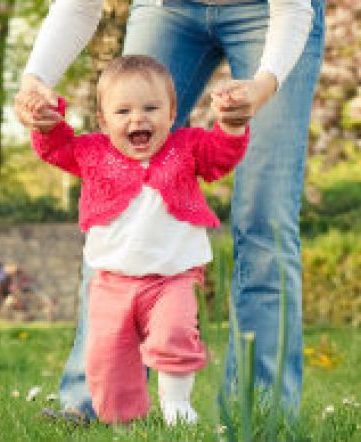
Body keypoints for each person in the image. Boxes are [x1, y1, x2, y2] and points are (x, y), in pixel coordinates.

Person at [15, 0, 325, 423]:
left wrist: (262, 88)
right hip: (167, 9)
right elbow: (78, 5)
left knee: (265, 218)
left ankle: (258, 409)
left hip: (271, 15)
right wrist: (35, 82)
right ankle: (91, 404)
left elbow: (292, 11)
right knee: (115, 194)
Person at [28, 55, 250, 424]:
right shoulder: (93, 152)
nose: (138, 119)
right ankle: (123, 421)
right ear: (103, 120)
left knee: (175, 333)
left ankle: (177, 404)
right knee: (106, 356)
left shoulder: (187, 147)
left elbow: (219, 157)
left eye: (151, 108)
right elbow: (56, 148)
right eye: (123, 111)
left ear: (171, 112)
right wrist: (47, 123)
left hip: (173, 277)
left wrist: (231, 125)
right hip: (111, 282)